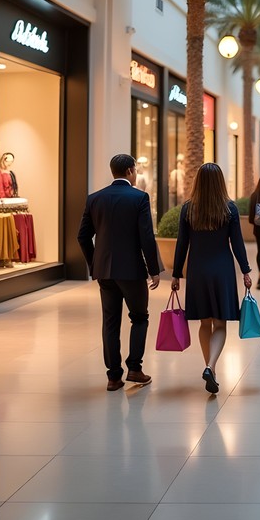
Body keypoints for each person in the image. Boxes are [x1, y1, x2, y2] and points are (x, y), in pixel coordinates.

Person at [77, 154, 161, 392]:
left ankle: (114, 377)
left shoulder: (95, 199)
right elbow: (146, 237)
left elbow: (82, 236)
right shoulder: (139, 198)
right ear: (130, 171)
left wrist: (95, 264)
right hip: (132, 271)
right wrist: (153, 270)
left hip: (104, 272)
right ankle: (134, 368)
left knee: (110, 322)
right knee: (139, 317)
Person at [171, 163, 252, 395]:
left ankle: (211, 370)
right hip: (222, 271)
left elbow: (182, 245)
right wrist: (245, 270)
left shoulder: (188, 209)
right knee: (220, 323)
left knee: (204, 323)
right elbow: (237, 243)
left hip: (197, 271)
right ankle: (210, 366)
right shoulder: (229, 209)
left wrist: (176, 273)